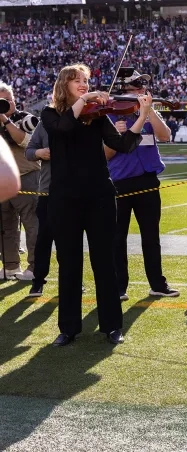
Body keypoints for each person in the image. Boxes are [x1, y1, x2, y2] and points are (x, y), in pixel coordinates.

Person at [42, 63, 152, 347]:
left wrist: (141, 116)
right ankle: (68, 328)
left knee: (104, 262)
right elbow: (64, 129)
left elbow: (124, 145)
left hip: (100, 196)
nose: (83, 85)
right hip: (64, 198)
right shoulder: (51, 114)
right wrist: (84, 101)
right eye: (77, 81)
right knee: (69, 264)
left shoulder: (99, 116)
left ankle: (112, 326)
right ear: (64, 85)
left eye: (86, 81)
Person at [105, 70, 178, 301]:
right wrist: (117, 136)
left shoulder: (147, 111)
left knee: (151, 236)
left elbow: (166, 136)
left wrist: (149, 111)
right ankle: (118, 287)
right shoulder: (109, 114)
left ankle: (157, 284)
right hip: (119, 182)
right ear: (122, 90)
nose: (140, 92)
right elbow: (104, 156)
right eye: (135, 88)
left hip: (147, 180)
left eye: (142, 88)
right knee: (117, 238)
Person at [0, 83, 40, 281]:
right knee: (6, 225)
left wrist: (5, 119)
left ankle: (35, 266)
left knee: (32, 224)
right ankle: (10, 265)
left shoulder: (25, 118)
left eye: (8, 99)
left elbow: (23, 141)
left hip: (27, 177)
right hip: (3, 181)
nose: (5, 103)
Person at [24, 124, 52, 297]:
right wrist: (39, 153)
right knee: (43, 239)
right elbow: (29, 151)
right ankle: (38, 281)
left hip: (74, 192)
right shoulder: (45, 124)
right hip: (48, 192)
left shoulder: (82, 120)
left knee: (71, 240)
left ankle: (72, 281)